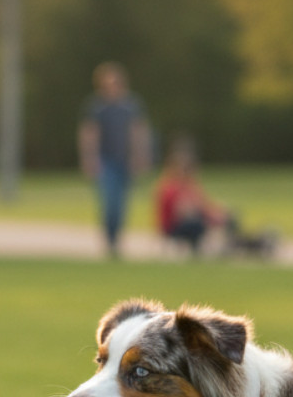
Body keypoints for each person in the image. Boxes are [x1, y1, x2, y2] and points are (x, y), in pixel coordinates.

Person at [155, 138, 278, 258]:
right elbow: (183, 212)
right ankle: (245, 245)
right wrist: (211, 216)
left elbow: (201, 203)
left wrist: (217, 212)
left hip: (190, 219)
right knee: (198, 223)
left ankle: (245, 244)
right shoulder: (171, 186)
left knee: (228, 216)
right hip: (174, 227)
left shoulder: (189, 184)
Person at [78, 62, 150, 257]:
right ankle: (109, 239)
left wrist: (140, 156)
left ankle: (116, 239)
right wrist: (89, 158)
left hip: (125, 160)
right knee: (109, 200)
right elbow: (89, 133)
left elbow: (138, 131)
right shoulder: (97, 107)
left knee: (121, 203)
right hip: (105, 160)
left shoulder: (131, 106)